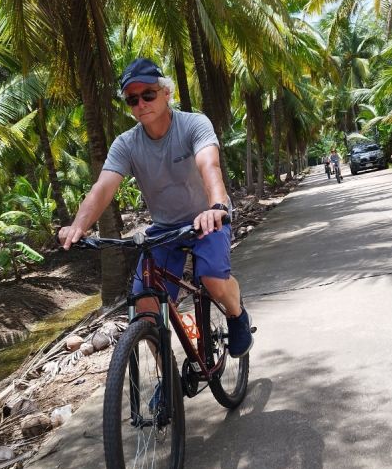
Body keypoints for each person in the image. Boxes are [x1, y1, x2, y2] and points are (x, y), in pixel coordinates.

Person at [57, 57, 254, 358]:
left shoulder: (193, 124)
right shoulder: (126, 144)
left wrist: (216, 206)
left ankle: (237, 314)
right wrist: (78, 226)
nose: (141, 103)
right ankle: (168, 382)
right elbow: (103, 188)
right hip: (165, 228)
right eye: (132, 99)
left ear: (166, 93)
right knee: (145, 307)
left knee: (213, 278)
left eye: (147, 94)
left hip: (208, 218)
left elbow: (210, 166)